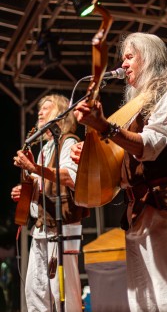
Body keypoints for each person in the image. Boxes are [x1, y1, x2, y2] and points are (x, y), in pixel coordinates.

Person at [71, 32, 167, 311]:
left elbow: (151, 146)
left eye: (130, 57)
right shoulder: (137, 107)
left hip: (166, 207)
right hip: (139, 210)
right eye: (122, 59)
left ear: (150, 57)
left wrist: (105, 128)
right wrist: (92, 154)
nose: (124, 64)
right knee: (142, 302)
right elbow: (126, 161)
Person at [11, 94, 88, 312]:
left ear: (61, 113)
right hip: (42, 227)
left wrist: (34, 169)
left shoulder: (69, 141)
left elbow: (69, 178)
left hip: (63, 226)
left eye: (46, 108)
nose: (40, 113)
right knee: (35, 290)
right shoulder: (45, 149)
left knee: (63, 290)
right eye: (39, 110)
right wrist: (26, 191)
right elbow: (43, 184)